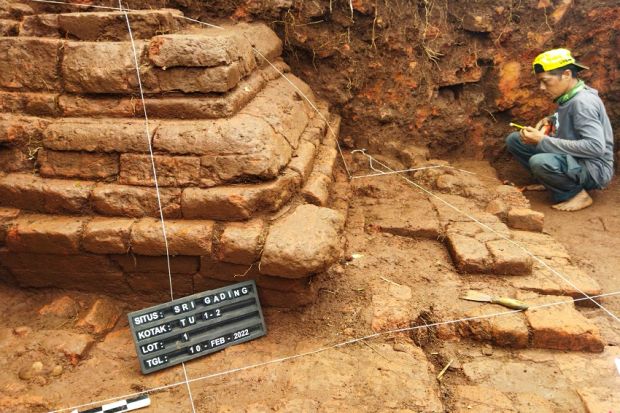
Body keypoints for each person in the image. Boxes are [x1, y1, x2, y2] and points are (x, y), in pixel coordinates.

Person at [505, 48, 614, 211]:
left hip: (594, 168)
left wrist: (542, 140)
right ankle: (549, 181)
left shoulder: (583, 103)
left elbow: (595, 148)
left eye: (546, 81)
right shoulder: (570, 96)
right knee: (515, 140)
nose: (542, 87)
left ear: (567, 74)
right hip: (576, 159)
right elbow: (569, 118)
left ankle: (575, 194)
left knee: (539, 162)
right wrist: (550, 119)